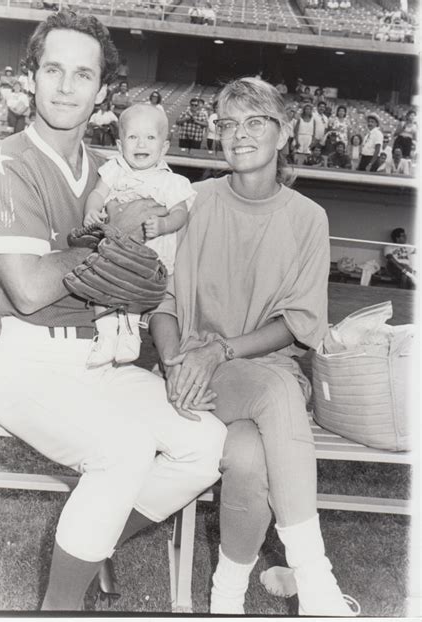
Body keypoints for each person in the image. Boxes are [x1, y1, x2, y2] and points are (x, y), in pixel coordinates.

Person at [0, 10, 226, 611]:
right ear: (30, 76)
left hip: (102, 360)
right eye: (52, 69)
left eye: (82, 74)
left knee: (206, 443)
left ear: (103, 91)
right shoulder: (6, 165)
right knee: (124, 450)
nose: (64, 86)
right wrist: (113, 240)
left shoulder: (110, 172)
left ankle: (96, 538)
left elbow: (149, 278)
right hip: (30, 363)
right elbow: (29, 289)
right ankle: (58, 606)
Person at [149, 76, 358, 616]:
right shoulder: (193, 201)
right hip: (197, 369)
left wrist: (220, 351)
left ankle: (226, 598)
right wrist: (176, 363)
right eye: (228, 123)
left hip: (255, 368)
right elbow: (164, 301)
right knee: (273, 397)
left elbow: (298, 322)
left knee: (247, 456)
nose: (239, 134)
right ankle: (317, 583)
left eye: (254, 121)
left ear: (284, 131)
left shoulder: (309, 218)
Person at [82, 103, 195, 367]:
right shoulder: (115, 170)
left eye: (150, 137)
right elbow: (98, 194)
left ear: (164, 147)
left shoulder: (170, 181)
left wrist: (165, 225)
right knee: (100, 285)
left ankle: (130, 335)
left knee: (136, 293)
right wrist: (91, 211)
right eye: (133, 137)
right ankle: (106, 335)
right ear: (121, 146)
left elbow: (180, 213)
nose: (141, 144)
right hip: (116, 249)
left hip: (147, 256)